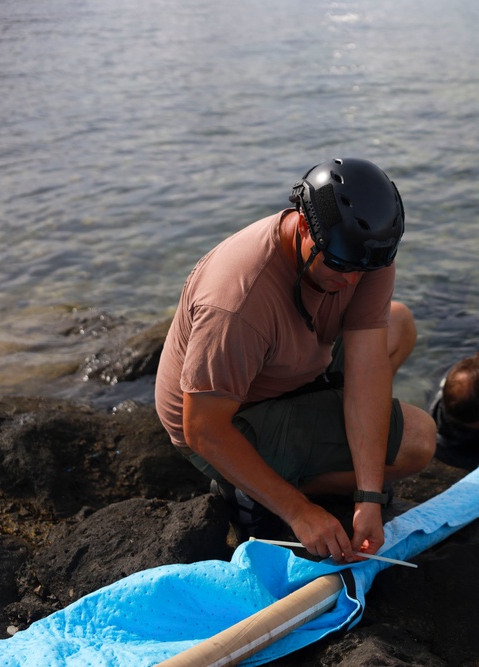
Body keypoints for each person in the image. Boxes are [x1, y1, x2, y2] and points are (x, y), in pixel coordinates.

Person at [155, 157, 435, 563]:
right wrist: (300, 512)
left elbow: (368, 368)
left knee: (399, 324)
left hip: (287, 370)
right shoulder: (238, 301)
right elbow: (202, 428)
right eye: (340, 266)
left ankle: (314, 452)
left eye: (367, 268)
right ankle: (250, 487)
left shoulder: (360, 251)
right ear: (304, 226)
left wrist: (368, 496)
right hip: (227, 422)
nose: (352, 281)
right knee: (417, 440)